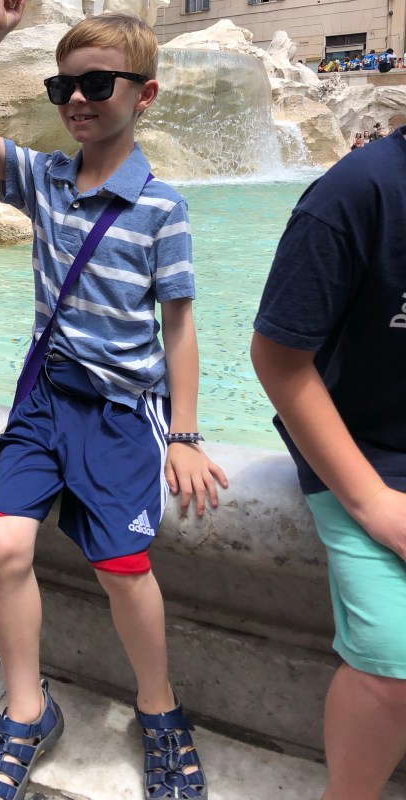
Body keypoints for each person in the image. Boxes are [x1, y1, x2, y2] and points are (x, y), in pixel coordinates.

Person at [0, 0, 228, 800]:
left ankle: (159, 709)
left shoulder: (162, 207)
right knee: (3, 546)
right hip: (44, 401)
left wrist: (185, 434)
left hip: (119, 412)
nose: (77, 100)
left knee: (125, 568)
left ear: (145, 94)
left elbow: (179, 328)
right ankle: (27, 712)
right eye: (64, 86)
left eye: (98, 84)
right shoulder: (44, 178)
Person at [251, 124, 406, 800]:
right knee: (395, 666)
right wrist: (374, 503)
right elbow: (278, 358)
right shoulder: (357, 191)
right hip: (367, 454)